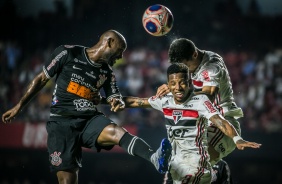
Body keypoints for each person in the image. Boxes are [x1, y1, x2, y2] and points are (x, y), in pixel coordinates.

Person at [1, 30, 172, 184]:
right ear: (109, 42)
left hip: (89, 119)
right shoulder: (67, 52)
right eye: (120, 51)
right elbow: (41, 79)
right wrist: (19, 106)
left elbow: (115, 97)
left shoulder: (107, 72)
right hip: (62, 123)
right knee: (68, 181)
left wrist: (116, 102)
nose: (120, 57)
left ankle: (154, 158)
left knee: (116, 132)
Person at [110, 63, 261, 183]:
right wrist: (106, 100)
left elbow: (220, 122)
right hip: (175, 165)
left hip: (196, 165)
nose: (178, 87)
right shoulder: (164, 101)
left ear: (189, 83)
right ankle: (217, 171)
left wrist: (237, 139)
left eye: (182, 82)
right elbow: (137, 102)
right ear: (168, 85)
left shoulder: (200, 101)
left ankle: (215, 169)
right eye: (173, 83)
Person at [156, 38, 244, 166]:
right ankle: (217, 171)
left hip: (222, 121)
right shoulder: (193, 61)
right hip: (203, 122)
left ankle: (219, 171)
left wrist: (174, 91)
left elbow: (207, 97)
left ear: (195, 54)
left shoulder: (211, 68)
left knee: (196, 162)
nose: (186, 72)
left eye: (186, 67)